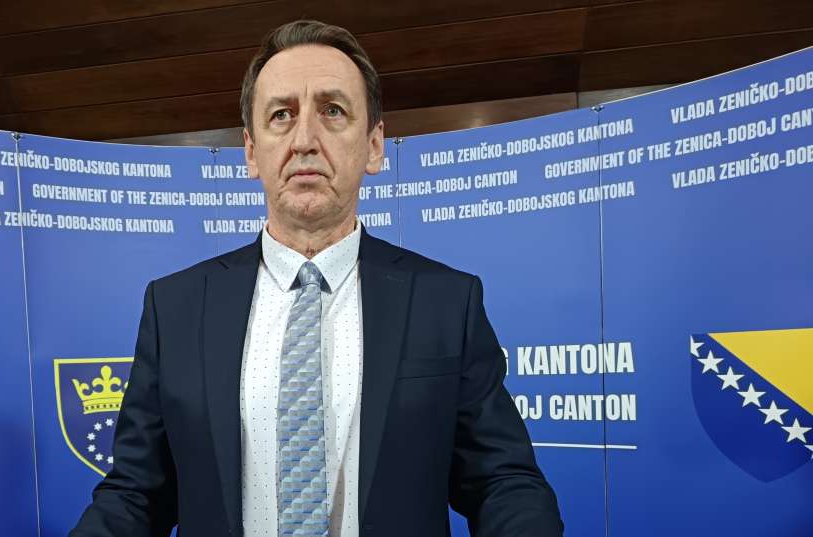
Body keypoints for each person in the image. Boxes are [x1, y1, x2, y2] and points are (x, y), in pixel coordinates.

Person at [70, 19, 562, 537]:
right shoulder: (175, 307)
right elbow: (136, 493)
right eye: (281, 115)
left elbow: (503, 482)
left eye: (332, 111)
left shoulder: (445, 302)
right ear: (251, 151)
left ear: (374, 145)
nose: (304, 139)